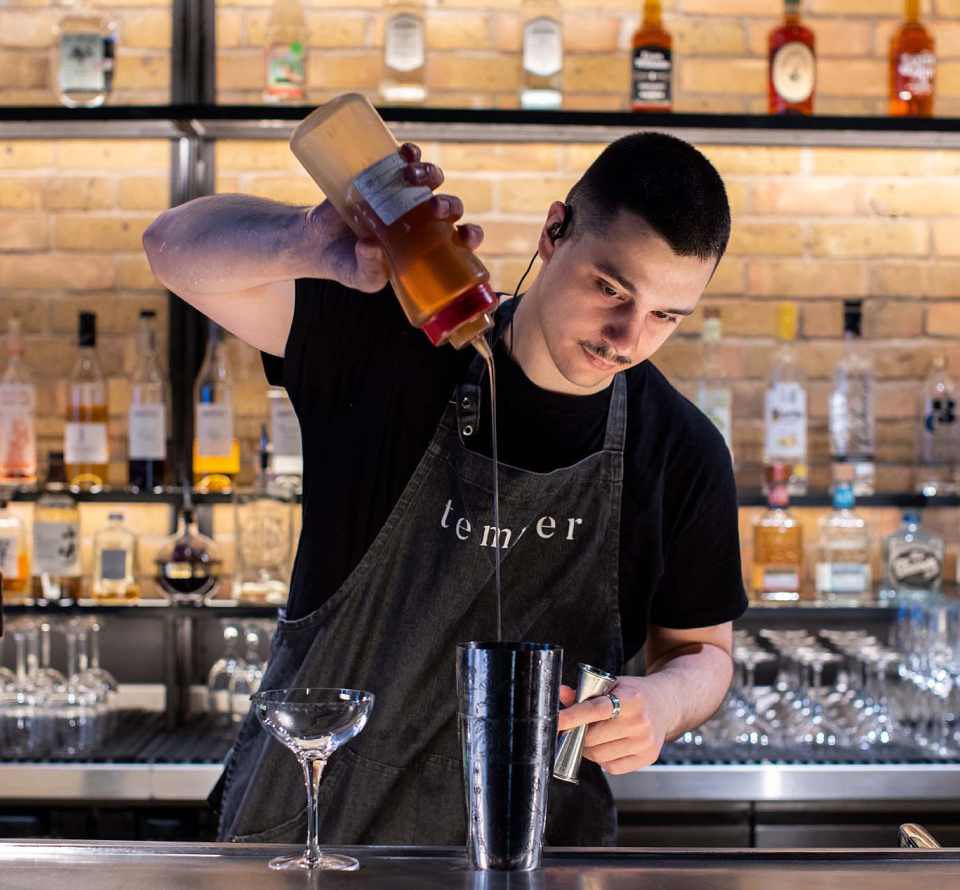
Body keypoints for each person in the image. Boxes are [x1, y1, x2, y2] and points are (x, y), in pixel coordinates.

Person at [142, 130, 747, 847]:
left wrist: (664, 701)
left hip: (530, 854)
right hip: (314, 840)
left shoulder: (682, 450)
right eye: (610, 288)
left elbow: (704, 653)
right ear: (554, 232)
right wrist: (308, 243)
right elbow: (170, 245)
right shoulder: (389, 340)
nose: (626, 335)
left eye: (665, 316)